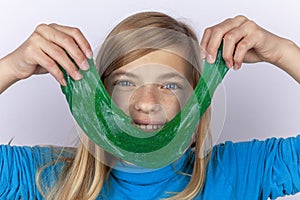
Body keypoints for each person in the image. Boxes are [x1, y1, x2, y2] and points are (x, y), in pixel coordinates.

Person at [0, 11, 300, 200]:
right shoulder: (46, 177)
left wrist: (284, 52)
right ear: (96, 100)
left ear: (197, 106)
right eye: (125, 83)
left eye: (169, 85)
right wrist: (12, 67)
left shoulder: (241, 172)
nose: (146, 103)